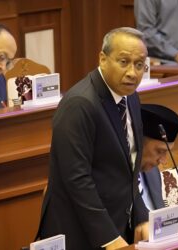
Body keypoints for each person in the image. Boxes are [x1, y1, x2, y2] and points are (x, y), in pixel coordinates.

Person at [37, 27, 149, 250]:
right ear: (103, 58)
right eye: (124, 62)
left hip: (116, 224)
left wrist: (141, 216)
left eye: (139, 65)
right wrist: (108, 236)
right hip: (78, 232)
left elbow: (130, 168)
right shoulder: (79, 104)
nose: (132, 73)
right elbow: (76, 179)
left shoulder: (130, 97)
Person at [138, 104, 178, 211]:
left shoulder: (152, 172)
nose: (164, 161)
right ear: (138, 142)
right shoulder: (115, 177)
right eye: (160, 151)